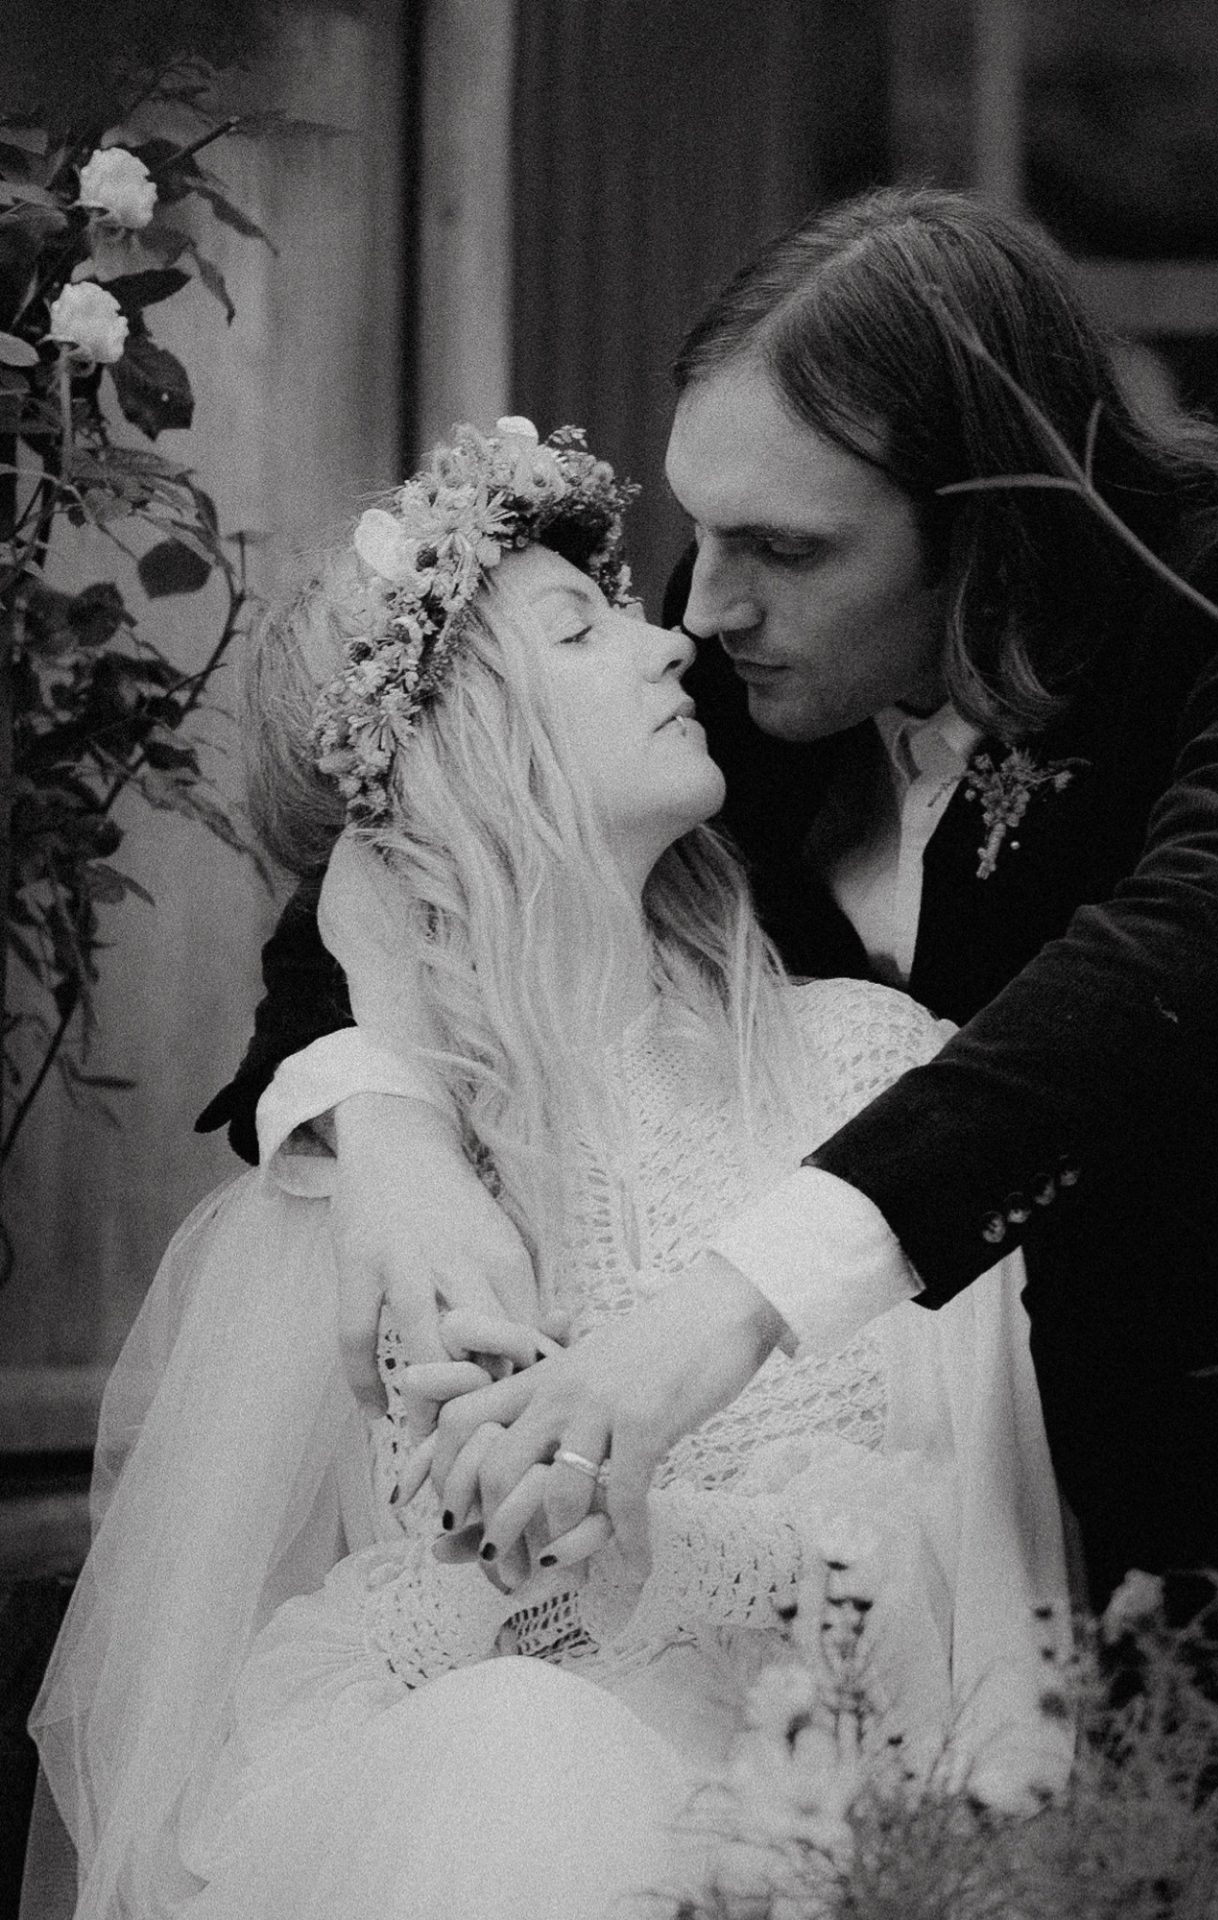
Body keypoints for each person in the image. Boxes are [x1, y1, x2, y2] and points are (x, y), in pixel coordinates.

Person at [198, 187, 1218, 1609]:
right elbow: (404, 837)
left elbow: (1191, 955)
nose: (703, 611)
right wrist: (393, 1145)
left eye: (786, 548)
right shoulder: (749, 642)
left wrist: (716, 1316)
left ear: (989, 522)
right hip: (838, 1605)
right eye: (705, 533)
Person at [31, 421, 1070, 1920]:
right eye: (588, 630)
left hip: (823, 1841)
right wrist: (497, 1565)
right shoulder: (362, 1200)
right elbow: (250, 1695)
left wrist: (665, 1545)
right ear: (469, 758)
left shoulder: (878, 1086)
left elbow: (983, 1611)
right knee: (508, 1743)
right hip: (437, 1834)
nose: (673, 648)